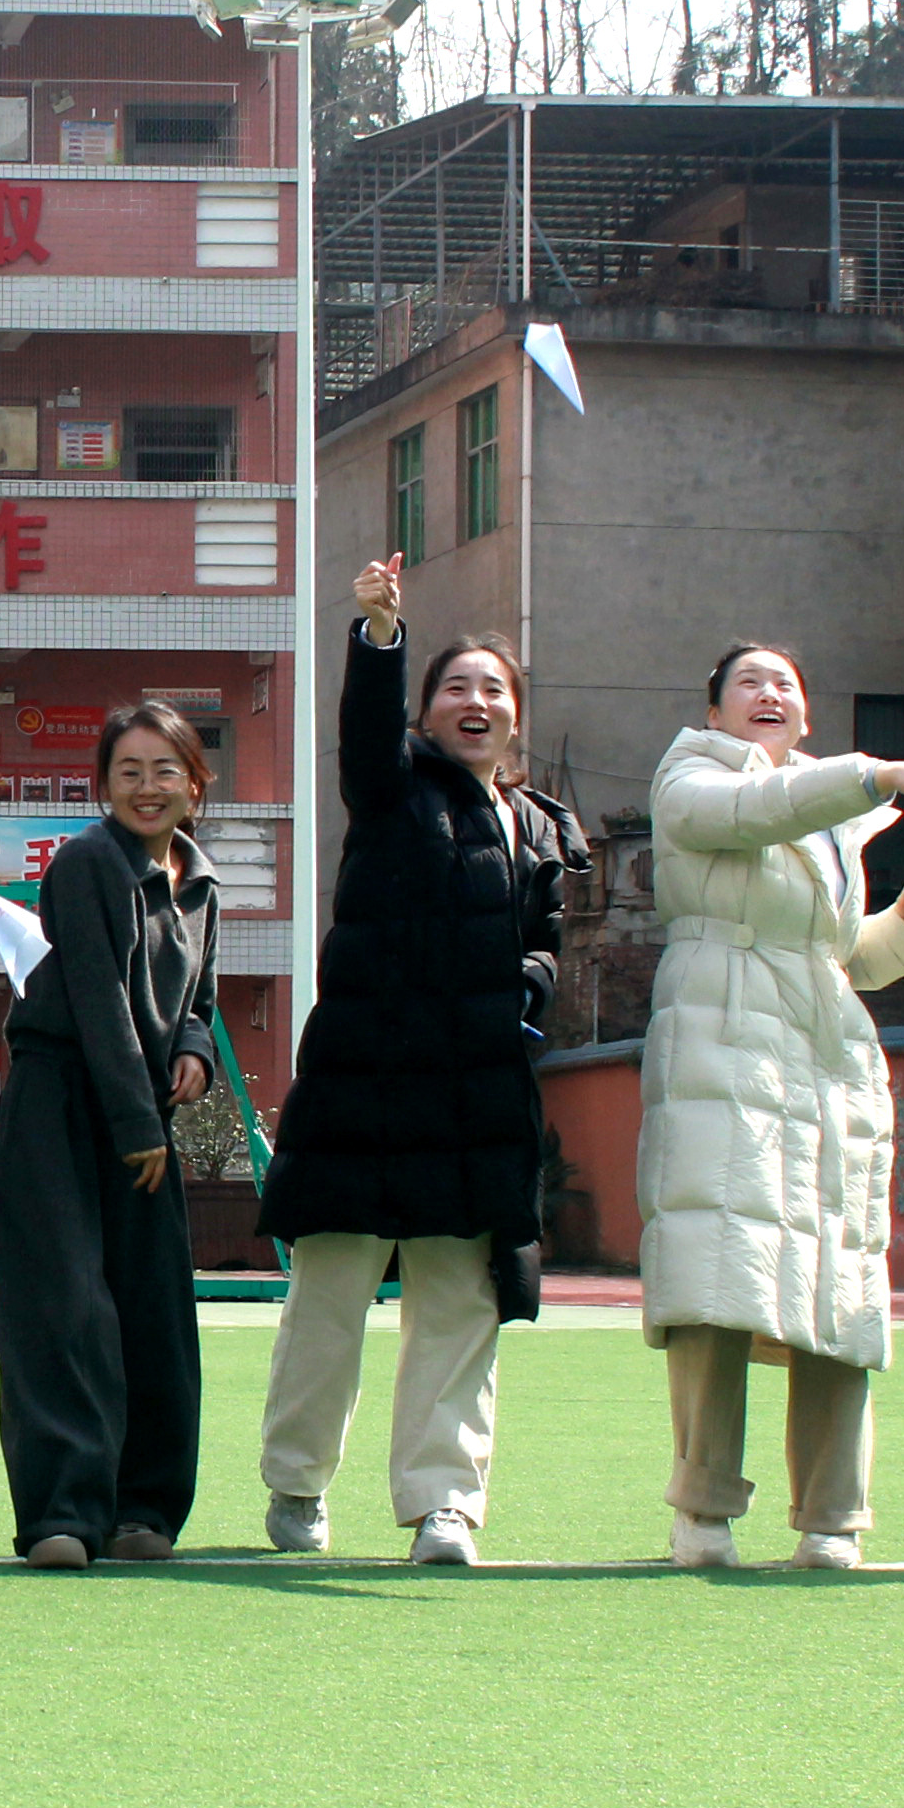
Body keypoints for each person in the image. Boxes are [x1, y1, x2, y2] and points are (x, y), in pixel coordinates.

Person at [254, 561, 588, 1568]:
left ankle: (443, 1503)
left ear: (516, 718)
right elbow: (364, 730)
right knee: (330, 1295)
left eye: (493, 689)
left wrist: (527, 992)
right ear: (426, 709)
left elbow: (546, 942)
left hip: (472, 1098)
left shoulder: (540, 825)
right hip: (360, 1081)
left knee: (458, 1303)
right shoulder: (392, 783)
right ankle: (296, 1481)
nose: (474, 702)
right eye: (455, 687)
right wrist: (379, 637)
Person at [637, 642, 904, 1571]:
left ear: (807, 713)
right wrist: (875, 773)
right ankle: (703, 1511)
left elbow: (833, 956)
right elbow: (752, 811)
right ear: (714, 711)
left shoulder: (830, 815)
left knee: (837, 1282)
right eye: (749, 682)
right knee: (718, 1275)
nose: (769, 693)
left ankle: (831, 1516)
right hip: (718, 1033)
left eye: (786, 683)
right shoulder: (691, 775)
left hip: (822, 1054)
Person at [0, 701, 223, 1570]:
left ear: (195, 784)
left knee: (155, 1311)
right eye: (129, 772)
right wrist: (136, 1123)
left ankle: (143, 1510)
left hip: (142, 1112)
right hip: (62, 1102)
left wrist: (194, 1050)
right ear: (103, 786)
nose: (147, 788)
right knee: (63, 1311)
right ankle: (63, 1514)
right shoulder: (88, 862)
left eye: (165, 771)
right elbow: (97, 996)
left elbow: (198, 998)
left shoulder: (201, 882)